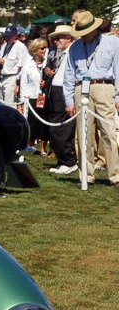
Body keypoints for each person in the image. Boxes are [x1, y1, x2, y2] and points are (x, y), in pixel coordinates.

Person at [63, 10, 119, 187]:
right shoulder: (75, 47)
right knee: (83, 134)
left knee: (108, 132)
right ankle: (86, 175)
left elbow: (118, 69)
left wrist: (118, 95)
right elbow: (69, 74)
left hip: (104, 86)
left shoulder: (113, 42)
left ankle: (115, 175)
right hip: (81, 88)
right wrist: (69, 100)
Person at [45, 24, 78, 174]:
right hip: (56, 90)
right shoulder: (63, 53)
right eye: (54, 38)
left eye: (58, 38)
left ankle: (68, 160)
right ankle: (62, 159)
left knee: (60, 128)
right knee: (55, 127)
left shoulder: (73, 50)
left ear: (68, 38)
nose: (55, 41)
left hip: (64, 92)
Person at [19, 38, 48, 155]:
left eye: (45, 48)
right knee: (32, 122)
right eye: (42, 48)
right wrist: (22, 102)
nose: (44, 50)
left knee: (44, 121)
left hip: (44, 96)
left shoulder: (47, 64)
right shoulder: (27, 66)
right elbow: (23, 84)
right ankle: (30, 144)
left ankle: (43, 148)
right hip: (31, 97)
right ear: (35, 50)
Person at [0, 26, 28, 108]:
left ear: (15, 36)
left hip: (12, 78)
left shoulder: (21, 47)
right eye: (6, 36)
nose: (7, 38)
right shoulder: (5, 46)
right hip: (2, 77)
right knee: (0, 104)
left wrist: (18, 84)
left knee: (9, 106)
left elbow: (23, 67)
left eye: (9, 36)